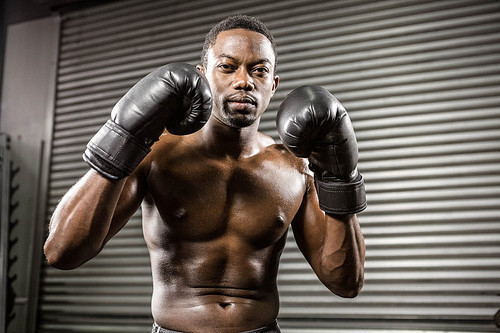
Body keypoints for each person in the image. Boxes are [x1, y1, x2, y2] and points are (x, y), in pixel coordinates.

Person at [44, 15, 367, 333]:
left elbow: (345, 283)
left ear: (274, 84)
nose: (244, 81)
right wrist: (124, 138)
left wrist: (339, 178)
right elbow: (63, 253)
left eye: (259, 70)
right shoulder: (158, 156)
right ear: (203, 75)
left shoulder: (295, 166)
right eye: (227, 67)